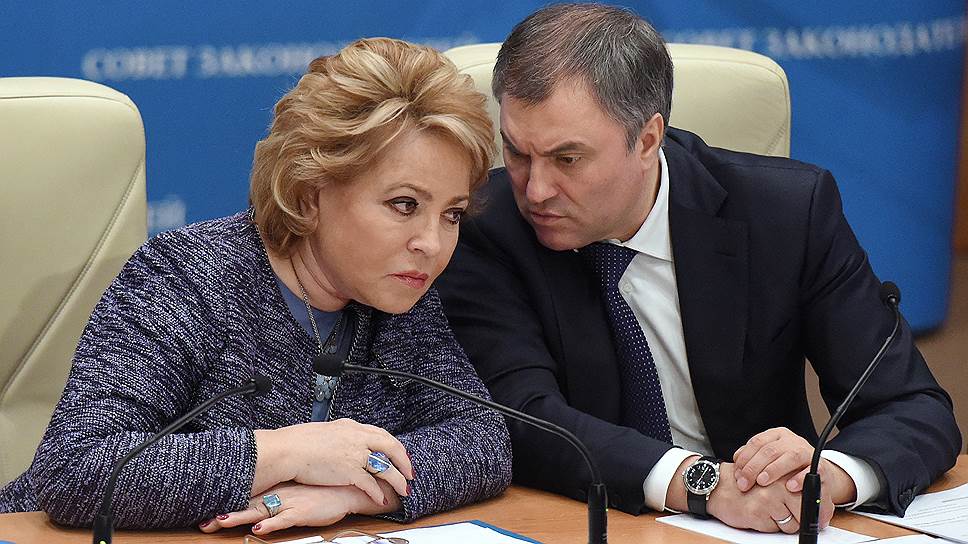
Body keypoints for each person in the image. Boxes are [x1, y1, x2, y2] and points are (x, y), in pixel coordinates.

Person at [436, 3, 961, 535]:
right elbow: (520, 416)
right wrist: (704, 484)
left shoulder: (786, 212)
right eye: (517, 152)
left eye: (567, 159)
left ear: (647, 140)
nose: (535, 190)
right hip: (590, 521)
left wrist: (826, 478)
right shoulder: (483, 227)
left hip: (770, 526)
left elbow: (913, 406)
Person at [0, 37, 511, 537]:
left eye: (452, 214)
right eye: (404, 205)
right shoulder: (187, 276)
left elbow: (482, 441)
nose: (431, 243)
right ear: (309, 193)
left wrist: (353, 493)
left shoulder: (400, 294)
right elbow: (76, 469)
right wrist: (291, 452)